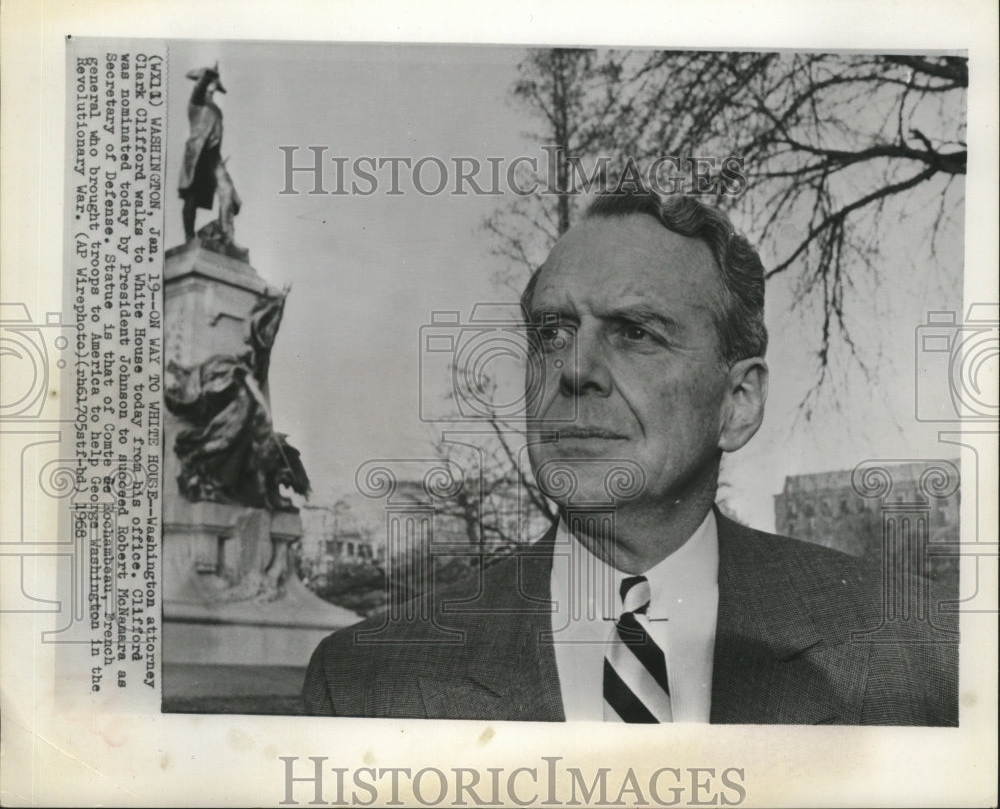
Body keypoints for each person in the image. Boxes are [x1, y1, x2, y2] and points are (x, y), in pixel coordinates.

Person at [302, 189, 957, 725]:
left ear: (738, 402)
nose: (576, 370)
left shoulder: (916, 653)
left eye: (636, 333)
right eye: (554, 333)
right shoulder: (370, 682)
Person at [178, 64, 241, 244]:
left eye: (214, 81)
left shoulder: (216, 109)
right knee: (191, 199)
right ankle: (189, 237)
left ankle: (225, 234)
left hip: (214, 158)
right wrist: (209, 75)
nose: (213, 84)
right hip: (197, 156)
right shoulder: (196, 102)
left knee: (229, 195)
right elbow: (199, 89)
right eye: (210, 81)